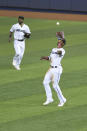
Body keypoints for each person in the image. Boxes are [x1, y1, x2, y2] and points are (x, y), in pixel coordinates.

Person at [40, 36, 66, 107]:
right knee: (45, 82)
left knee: (55, 86)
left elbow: (59, 53)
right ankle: (49, 98)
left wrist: (62, 38)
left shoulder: (62, 50)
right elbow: (50, 58)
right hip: (51, 69)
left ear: (63, 44)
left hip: (57, 70)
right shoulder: (53, 49)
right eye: (58, 42)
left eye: (60, 42)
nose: (59, 43)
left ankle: (62, 100)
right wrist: (45, 57)